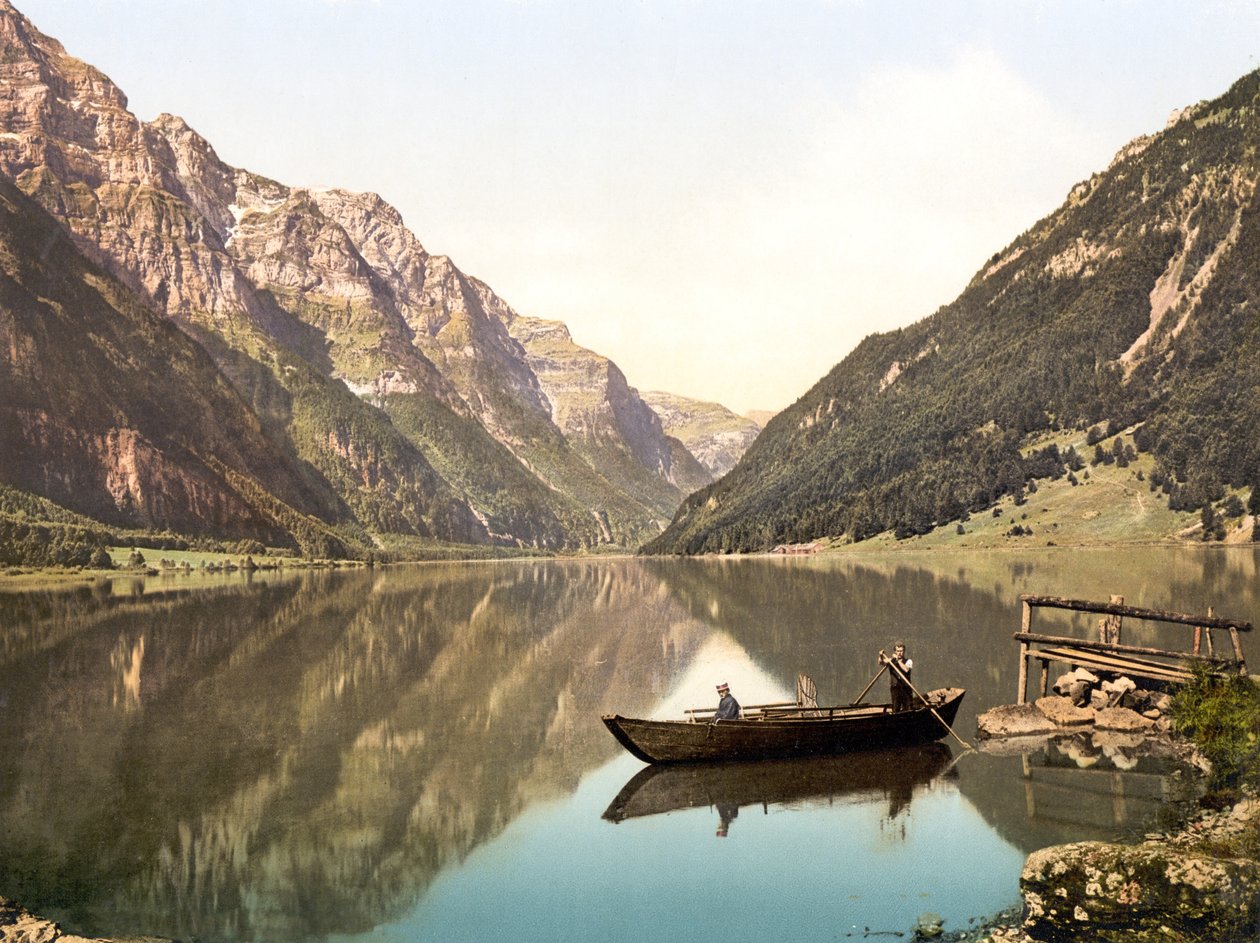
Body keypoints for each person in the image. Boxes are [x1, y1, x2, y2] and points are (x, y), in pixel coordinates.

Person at [880, 642, 915, 713]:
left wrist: (898, 661)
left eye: (901, 651)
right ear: (895, 652)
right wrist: (880, 655)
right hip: (895, 688)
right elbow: (881, 663)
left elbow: (906, 669)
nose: (899, 653)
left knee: (908, 708)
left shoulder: (909, 661)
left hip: (905, 688)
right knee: (896, 708)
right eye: (898, 651)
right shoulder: (891, 661)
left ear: (904, 651)